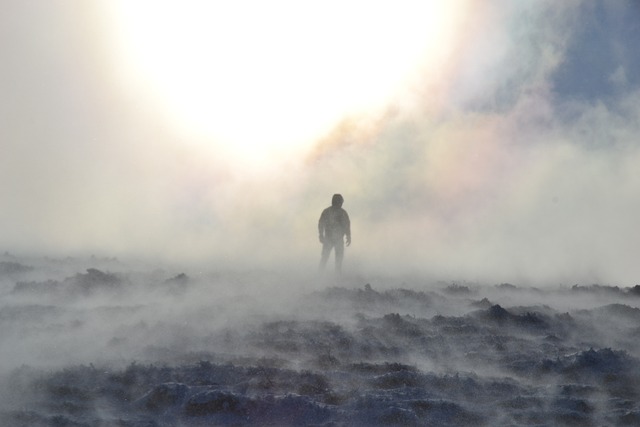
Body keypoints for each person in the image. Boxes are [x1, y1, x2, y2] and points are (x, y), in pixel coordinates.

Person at [318, 194, 351, 272]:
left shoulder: (327, 211)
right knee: (330, 258)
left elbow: (346, 225)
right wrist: (348, 236)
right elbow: (321, 224)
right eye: (341, 201)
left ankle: (322, 274)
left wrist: (348, 236)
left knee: (330, 258)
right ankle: (324, 274)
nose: (341, 203)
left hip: (334, 239)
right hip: (331, 238)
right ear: (338, 202)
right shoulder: (341, 212)